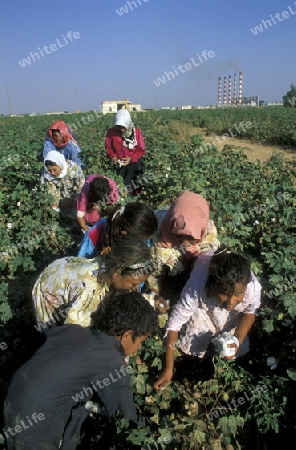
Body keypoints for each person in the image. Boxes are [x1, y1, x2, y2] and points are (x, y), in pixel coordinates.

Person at [3, 291, 158, 450]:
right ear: (127, 335)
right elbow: (127, 415)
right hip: (33, 430)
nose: (139, 347)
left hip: (11, 405)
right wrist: (153, 430)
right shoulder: (113, 364)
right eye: (140, 341)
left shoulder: (71, 330)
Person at [154, 246, 262, 390]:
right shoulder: (197, 285)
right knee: (198, 325)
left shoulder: (252, 287)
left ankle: (220, 348)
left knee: (229, 330)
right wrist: (168, 368)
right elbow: (174, 325)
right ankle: (196, 358)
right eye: (225, 293)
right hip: (204, 303)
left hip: (224, 298)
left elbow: (250, 311)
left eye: (238, 294)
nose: (230, 301)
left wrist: (236, 340)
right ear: (214, 285)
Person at [32, 236, 157, 329]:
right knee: (55, 337)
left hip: (57, 272)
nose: (135, 289)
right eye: (133, 284)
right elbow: (73, 329)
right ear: (116, 273)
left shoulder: (104, 264)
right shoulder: (91, 289)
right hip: (46, 294)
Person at [148, 190, 220, 294]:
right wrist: (157, 295)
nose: (185, 245)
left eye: (191, 240)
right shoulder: (162, 229)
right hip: (166, 282)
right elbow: (154, 277)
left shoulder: (208, 234)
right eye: (179, 238)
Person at [78, 202, 158, 258]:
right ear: (124, 233)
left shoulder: (139, 232)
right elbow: (80, 266)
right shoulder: (94, 235)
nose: (145, 242)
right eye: (145, 240)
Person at [105, 109, 145, 194]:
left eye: (123, 127)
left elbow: (141, 150)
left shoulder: (136, 133)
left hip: (134, 164)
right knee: (123, 186)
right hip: (120, 165)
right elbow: (108, 148)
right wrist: (113, 157)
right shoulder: (111, 132)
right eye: (118, 127)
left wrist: (130, 158)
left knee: (135, 186)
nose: (121, 130)